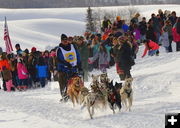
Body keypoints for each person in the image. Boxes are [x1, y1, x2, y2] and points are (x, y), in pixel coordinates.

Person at [56, 34, 81, 101]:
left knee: (76, 83)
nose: (65, 41)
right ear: (61, 41)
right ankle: (65, 97)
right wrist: (67, 64)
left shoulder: (73, 46)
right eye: (64, 40)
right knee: (64, 84)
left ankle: (75, 96)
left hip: (73, 69)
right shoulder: (59, 49)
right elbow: (60, 59)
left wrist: (79, 64)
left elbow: (77, 55)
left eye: (66, 40)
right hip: (63, 70)